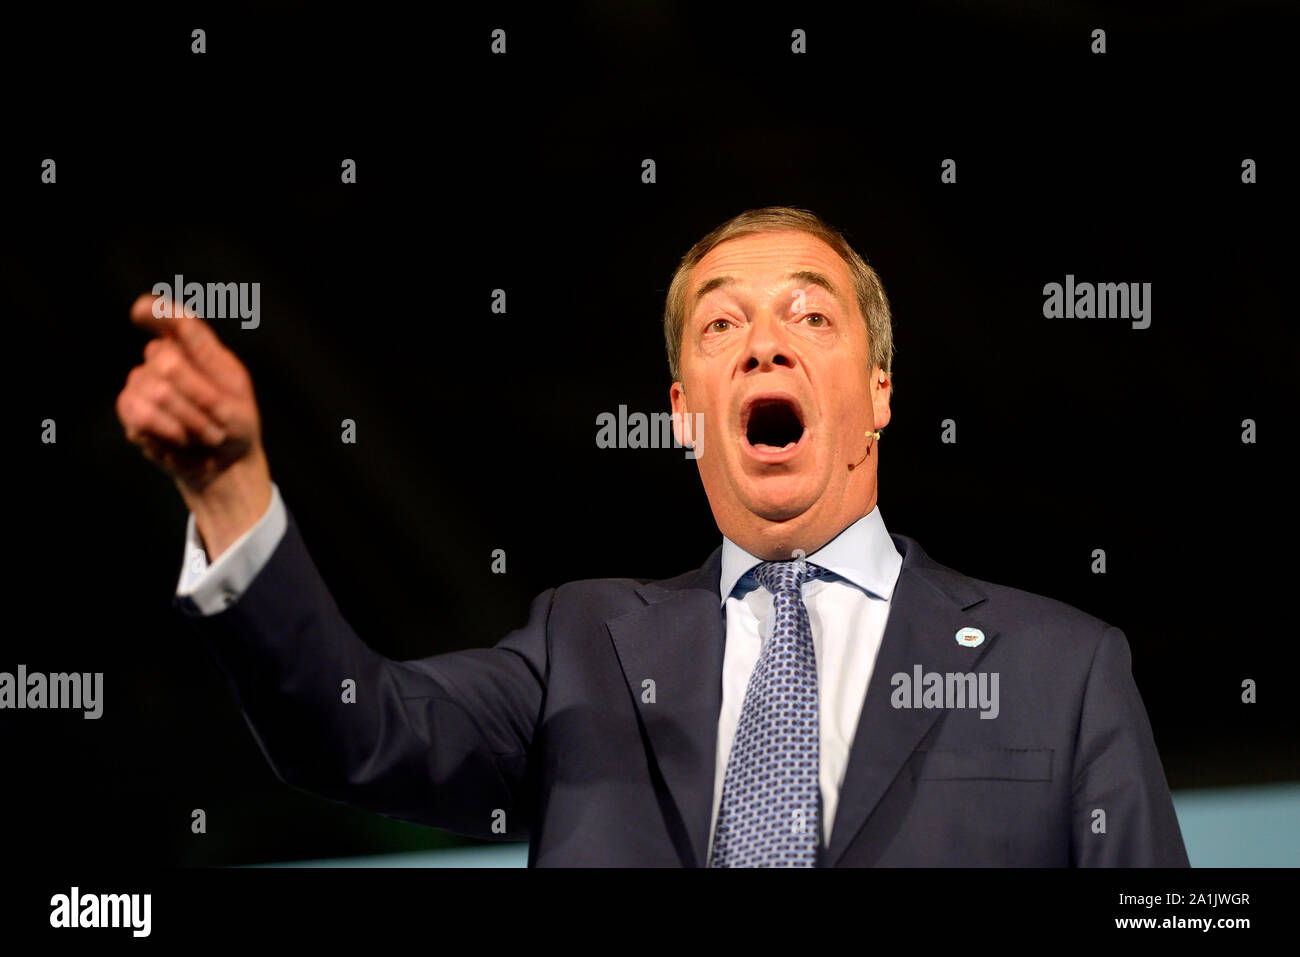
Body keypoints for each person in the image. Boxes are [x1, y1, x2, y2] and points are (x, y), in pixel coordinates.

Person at [116, 206, 1189, 866]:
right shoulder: (580, 645)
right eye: (723, 325)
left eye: (809, 317)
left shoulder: (1062, 668)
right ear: (684, 413)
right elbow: (353, 734)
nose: (765, 345)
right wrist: (230, 496)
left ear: (877, 393)